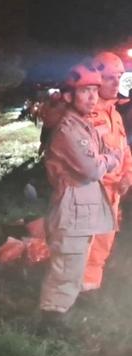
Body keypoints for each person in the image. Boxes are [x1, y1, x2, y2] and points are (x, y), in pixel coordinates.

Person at [39, 63, 122, 330]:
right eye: (85, 91)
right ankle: (51, 324)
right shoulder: (68, 129)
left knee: (74, 266)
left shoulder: (81, 124)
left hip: (81, 207)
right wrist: (111, 159)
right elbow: (93, 167)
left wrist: (106, 157)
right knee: (66, 269)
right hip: (72, 207)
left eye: (94, 91)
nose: (92, 98)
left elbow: (103, 153)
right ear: (68, 96)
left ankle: (62, 315)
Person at [82, 52, 132, 293]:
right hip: (92, 195)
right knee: (84, 245)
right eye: (109, 77)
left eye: (119, 77)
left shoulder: (115, 114)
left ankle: (90, 289)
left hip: (112, 195)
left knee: (103, 243)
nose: (116, 83)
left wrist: (127, 176)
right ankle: (70, 295)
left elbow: (124, 150)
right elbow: (83, 161)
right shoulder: (86, 117)